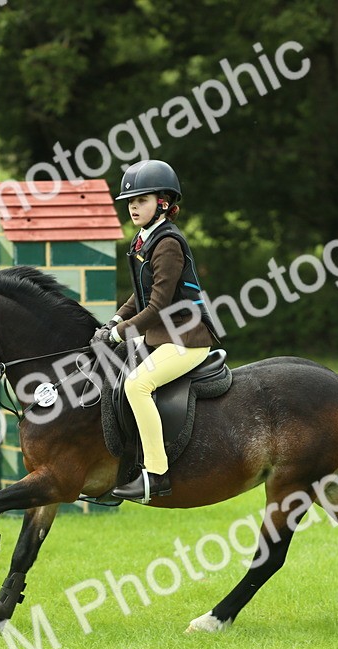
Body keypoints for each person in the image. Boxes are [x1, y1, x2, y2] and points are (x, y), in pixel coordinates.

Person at [93, 160, 221, 501]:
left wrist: (123, 332)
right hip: (161, 337)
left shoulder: (167, 244)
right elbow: (139, 294)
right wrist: (113, 320)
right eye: (130, 201)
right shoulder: (142, 240)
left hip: (186, 338)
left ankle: (156, 475)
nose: (133, 206)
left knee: (138, 385)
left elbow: (159, 304)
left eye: (142, 200)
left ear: (162, 203)